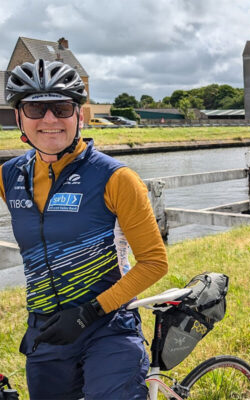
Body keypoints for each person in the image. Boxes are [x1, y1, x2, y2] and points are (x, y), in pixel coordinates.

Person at [1, 59, 168, 399]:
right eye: (35, 108)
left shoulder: (115, 178)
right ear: (19, 117)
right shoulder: (9, 176)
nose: (49, 119)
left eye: (61, 107)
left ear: (79, 114)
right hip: (46, 330)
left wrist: (90, 312)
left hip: (108, 328)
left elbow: (154, 263)